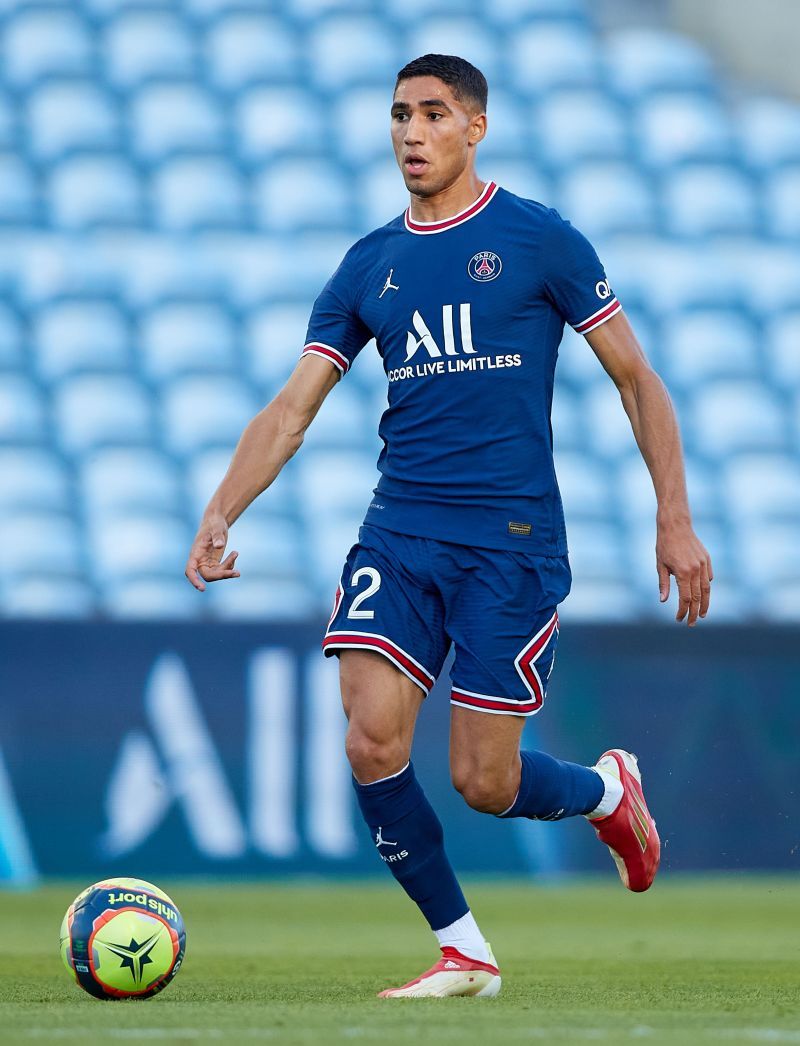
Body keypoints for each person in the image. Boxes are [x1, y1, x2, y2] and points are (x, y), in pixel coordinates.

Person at [185, 54, 713, 999]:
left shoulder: (538, 240)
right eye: (399, 116)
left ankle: (604, 792)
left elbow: (638, 380)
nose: (412, 133)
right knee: (370, 739)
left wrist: (674, 519)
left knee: (485, 780)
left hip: (510, 546)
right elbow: (291, 411)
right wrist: (225, 507)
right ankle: (463, 950)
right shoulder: (368, 264)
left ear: (475, 127)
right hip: (399, 534)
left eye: (433, 115)